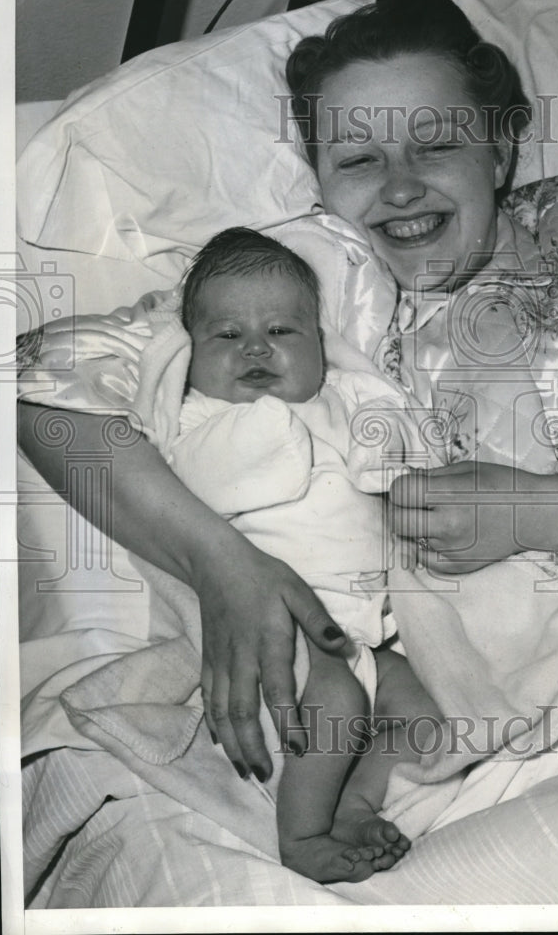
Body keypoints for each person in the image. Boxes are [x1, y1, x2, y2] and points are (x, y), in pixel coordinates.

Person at [18, 0, 558, 804]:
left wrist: (544, 511)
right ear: (320, 180)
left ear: (499, 153)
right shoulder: (304, 293)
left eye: (434, 146)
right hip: (469, 718)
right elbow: (47, 377)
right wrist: (223, 566)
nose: (399, 188)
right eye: (358, 160)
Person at [167, 225, 444, 882]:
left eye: (283, 332)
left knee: (420, 709)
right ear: (190, 354)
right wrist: (278, 414)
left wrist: (388, 436)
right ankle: (302, 834)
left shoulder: (342, 399)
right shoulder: (197, 421)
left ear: (321, 345)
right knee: (339, 707)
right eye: (227, 336)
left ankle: (355, 799)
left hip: (367, 628)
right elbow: (220, 477)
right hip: (281, 622)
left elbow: (400, 454)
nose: (256, 348)